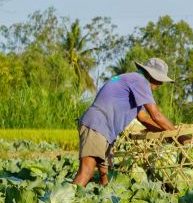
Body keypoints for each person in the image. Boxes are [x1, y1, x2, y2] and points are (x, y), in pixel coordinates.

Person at [72, 57, 186, 186]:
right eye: (159, 80)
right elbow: (156, 115)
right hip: (97, 125)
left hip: (105, 131)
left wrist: (166, 134)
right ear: (151, 75)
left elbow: (144, 118)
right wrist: (179, 136)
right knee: (86, 172)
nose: (160, 85)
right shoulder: (139, 80)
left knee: (105, 176)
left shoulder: (133, 83)